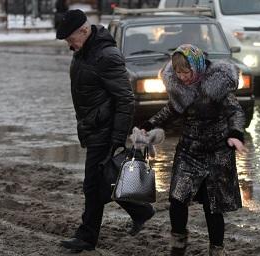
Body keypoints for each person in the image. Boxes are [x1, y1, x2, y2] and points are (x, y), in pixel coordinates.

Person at [56, 9, 155, 253]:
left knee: (93, 184)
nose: (69, 44)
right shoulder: (83, 52)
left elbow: (125, 99)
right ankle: (141, 210)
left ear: (84, 30)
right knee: (104, 182)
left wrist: (117, 139)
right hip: (93, 127)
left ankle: (87, 237)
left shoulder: (106, 55)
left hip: (105, 130)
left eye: (71, 38)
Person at [140, 44, 247, 256]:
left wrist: (235, 134)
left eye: (186, 72)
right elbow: (171, 110)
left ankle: (217, 249)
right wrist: (148, 125)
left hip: (218, 152)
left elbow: (235, 112)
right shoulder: (179, 88)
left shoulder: (217, 85)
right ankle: (178, 245)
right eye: (178, 73)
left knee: (213, 205)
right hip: (189, 150)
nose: (182, 77)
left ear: (196, 66)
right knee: (177, 199)